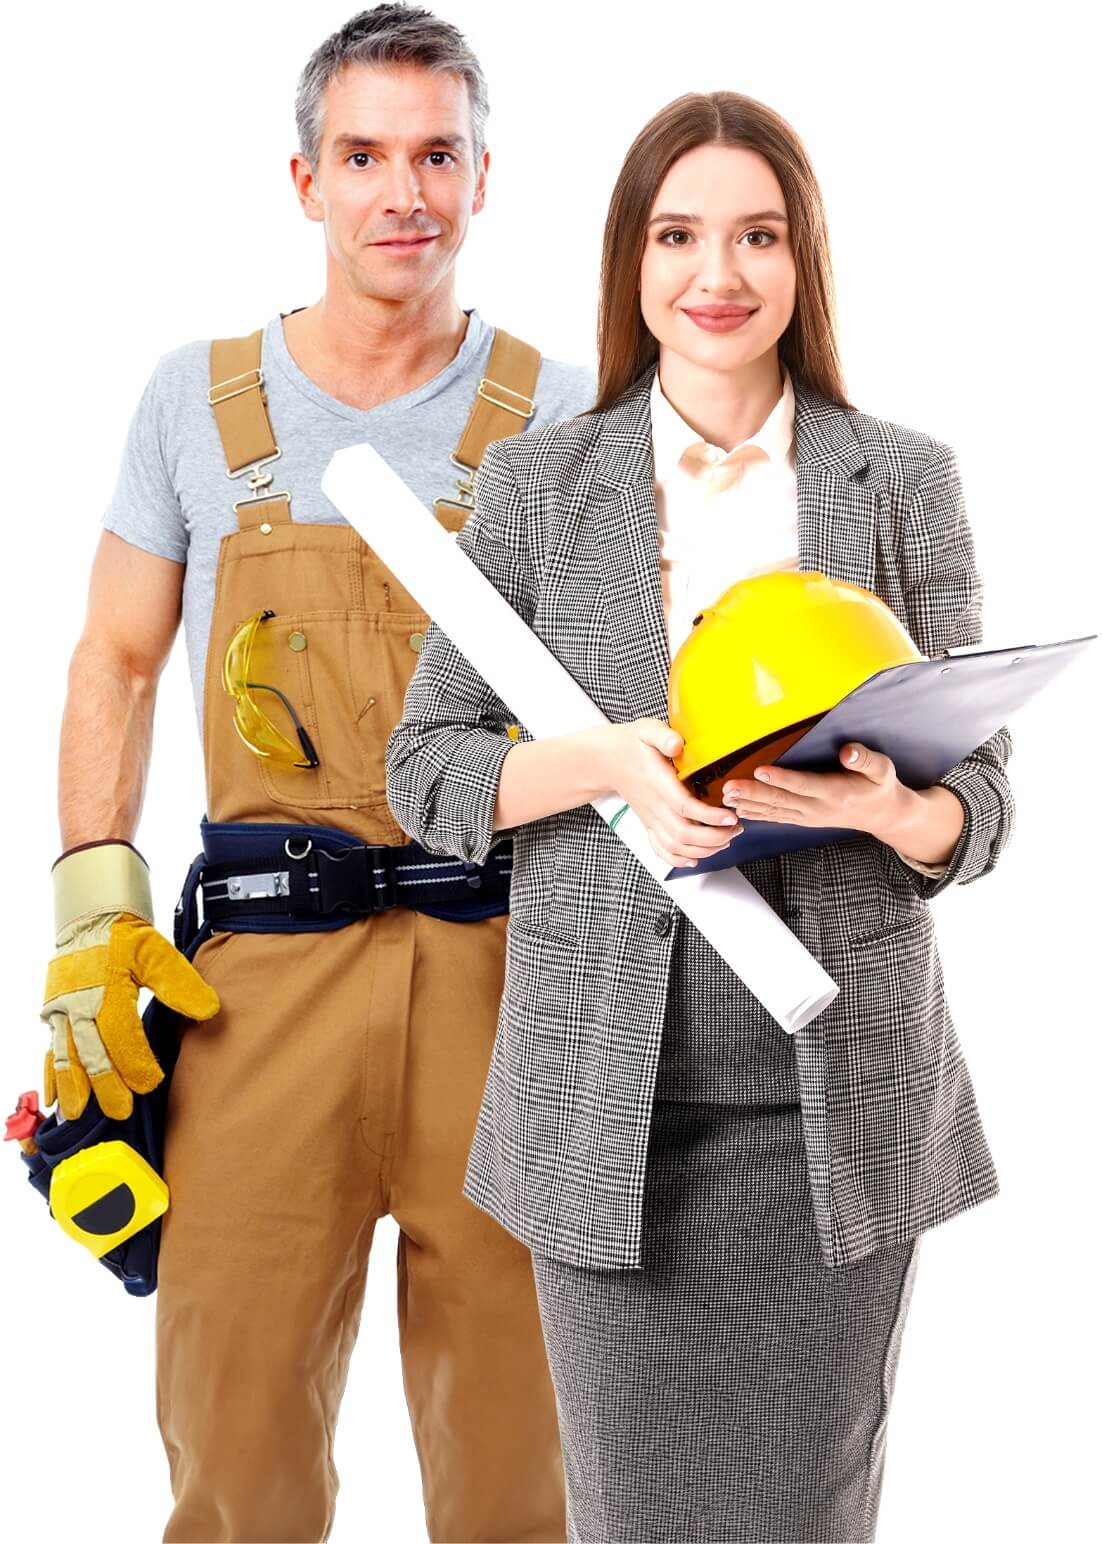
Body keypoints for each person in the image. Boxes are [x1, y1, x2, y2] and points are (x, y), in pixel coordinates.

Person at [386, 89, 1014, 1543]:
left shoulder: (900, 479)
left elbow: (979, 807)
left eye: (755, 235)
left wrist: (885, 810)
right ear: (631, 260)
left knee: (806, 1514)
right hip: (608, 1103)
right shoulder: (541, 487)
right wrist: (601, 763)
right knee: (629, 1513)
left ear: (802, 264)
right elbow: (426, 773)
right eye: (677, 236)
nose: (715, 275)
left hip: (832, 1108)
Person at [39, 6, 593, 1541]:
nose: (400, 190)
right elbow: (116, 660)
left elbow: (634, 705)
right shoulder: (194, 400)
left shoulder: (563, 415)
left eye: (436, 154)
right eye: (364, 155)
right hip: (255, 989)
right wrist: (95, 916)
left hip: (502, 979)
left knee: (516, 1469)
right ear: (305, 179)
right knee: (233, 1456)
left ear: (485, 177)